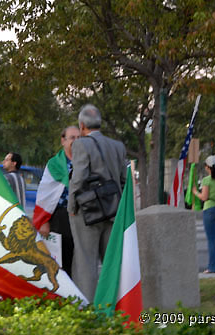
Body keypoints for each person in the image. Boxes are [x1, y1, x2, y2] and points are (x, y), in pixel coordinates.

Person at [67, 104, 127, 302]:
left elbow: (79, 177)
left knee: (85, 261)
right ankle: (115, 303)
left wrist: (71, 206)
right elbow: (123, 180)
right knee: (111, 261)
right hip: (113, 210)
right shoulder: (118, 146)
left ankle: (87, 307)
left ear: (82, 125)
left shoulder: (81, 145)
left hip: (88, 211)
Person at [33, 126, 80, 277]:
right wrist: (44, 221)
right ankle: (63, 297)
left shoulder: (87, 162)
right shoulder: (54, 164)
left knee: (80, 263)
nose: (76, 141)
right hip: (60, 218)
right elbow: (45, 195)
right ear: (63, 141)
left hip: (82, 218)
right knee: (60, 264)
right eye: (72, 138)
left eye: (80, 138)